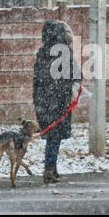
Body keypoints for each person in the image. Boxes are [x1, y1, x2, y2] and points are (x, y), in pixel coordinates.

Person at [33, 20, 82, 184]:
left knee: (52, 136)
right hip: (59, 101)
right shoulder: (65, 52)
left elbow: (38, 79)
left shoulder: (42, 52)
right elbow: (76, 75)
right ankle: (49, 169)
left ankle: (51, 168)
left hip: (43, 101)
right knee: (55, 136)